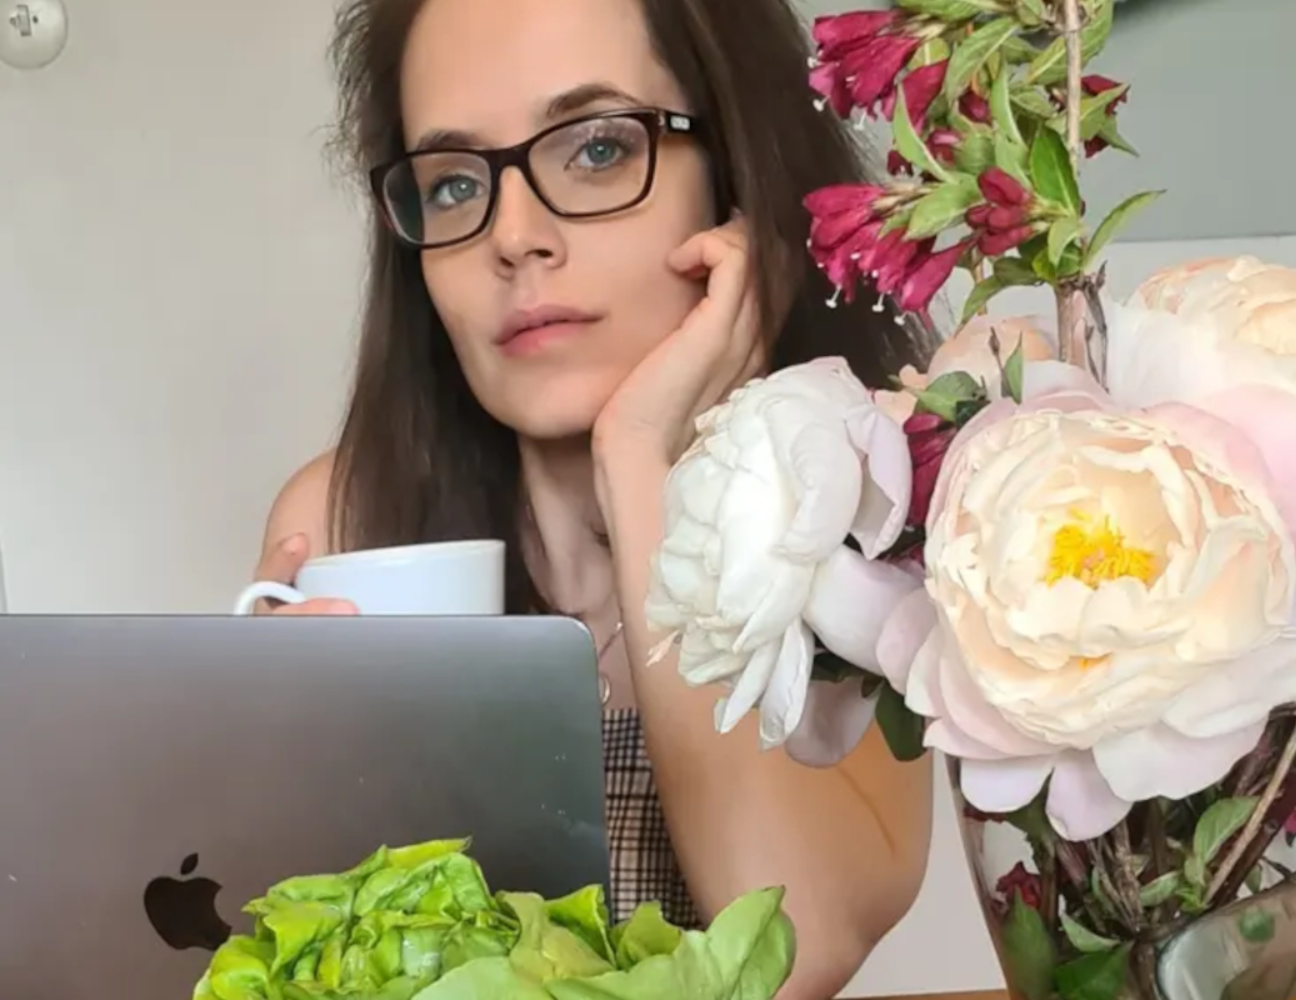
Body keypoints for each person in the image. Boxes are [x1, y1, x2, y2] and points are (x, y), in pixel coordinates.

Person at [250, 0, 936, 993]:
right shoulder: (345, 526)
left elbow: (797, 952)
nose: (514, 238)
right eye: (453, 183)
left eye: (598, 149)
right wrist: (267, 795)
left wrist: (639, 458)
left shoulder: (860, 513)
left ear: (734, 177)